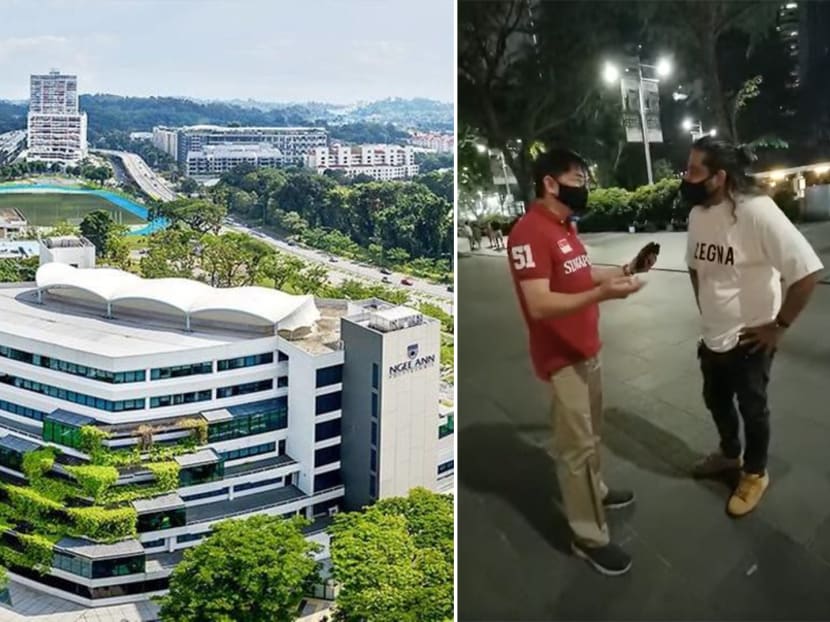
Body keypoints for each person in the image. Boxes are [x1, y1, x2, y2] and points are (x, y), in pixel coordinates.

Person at [507, 148, 658, 576]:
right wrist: (603, 295)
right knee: (575, 447)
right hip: (561, 357)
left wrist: (622, 271)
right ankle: (588, 537)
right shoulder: (528, 233)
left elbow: (579, 273)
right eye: (577, 177)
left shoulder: (563, 227)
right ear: (550, 183)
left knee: (592, 434)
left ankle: (598, 489)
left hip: (587, 347)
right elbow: (538, 304)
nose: (585, 186)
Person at [683, 136, 823, 517]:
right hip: (712, 336)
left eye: (695, 170)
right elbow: (695, 266)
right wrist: (707, 307)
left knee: (753, 408)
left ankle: (755, 472)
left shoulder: (758, 212)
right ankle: (730, 454)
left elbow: (807, 272)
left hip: (751, 339)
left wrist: (778, 326)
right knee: (715, 400)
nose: (686, 176)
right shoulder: (697, 215)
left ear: (720, 176)